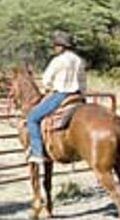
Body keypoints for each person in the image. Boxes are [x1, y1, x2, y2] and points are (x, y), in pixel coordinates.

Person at [26, 30, 86, 164]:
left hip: (61, 95)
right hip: (77, 95)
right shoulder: (79, 60)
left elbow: (46, 79)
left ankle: (37, 153)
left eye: (56, 46)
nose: (55, 48)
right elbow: (82, 80)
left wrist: (47, 87)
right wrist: (82, 94)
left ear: (61, 46)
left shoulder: (58, 60)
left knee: (32, 118)